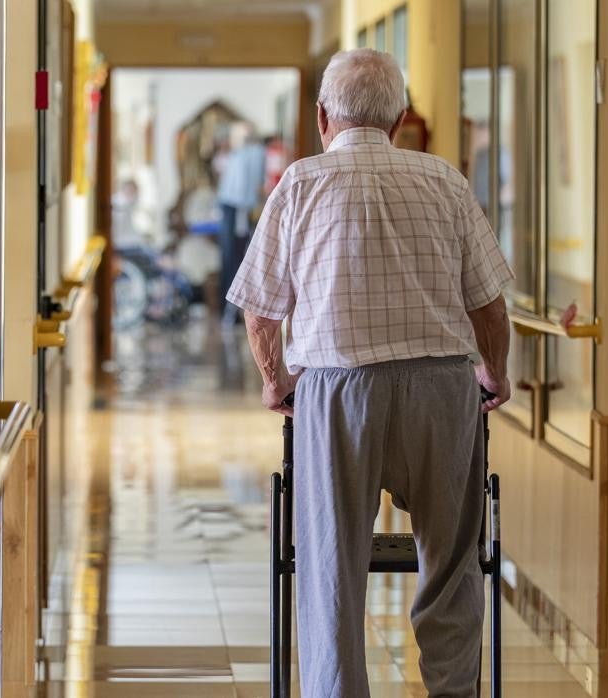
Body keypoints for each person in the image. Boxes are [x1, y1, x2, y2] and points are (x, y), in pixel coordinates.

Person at [226, 49, 513, 698]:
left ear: (324, 117)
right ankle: (452, 691)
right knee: (451, 562)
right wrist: (493, 374)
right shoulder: (444, 181)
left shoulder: (300, 183)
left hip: (337, 389)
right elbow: (488, 305)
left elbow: (261, 309)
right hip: (441, 387)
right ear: (400, 118)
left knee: (331, 569)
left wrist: (276, 381)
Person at [216, 121, 266, 325]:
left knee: (237, 258)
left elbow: (251, 184)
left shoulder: (253, 153)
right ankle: (229, 309)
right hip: (234, 207)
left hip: (239, 208)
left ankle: (232, 309)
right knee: (232, 258)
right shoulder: (242, 154)